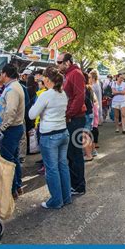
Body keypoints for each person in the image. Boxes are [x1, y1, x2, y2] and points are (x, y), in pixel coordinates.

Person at [29, 67, 71, 209]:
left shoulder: (45, 95)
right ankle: (66, 197)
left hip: (49, 135)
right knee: (63, 166)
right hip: (63, 132)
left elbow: (31, 115)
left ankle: (56, 201)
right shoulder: (63, 94)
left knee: (52, 169)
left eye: (43, 78)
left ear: (47, 79)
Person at [57, 52, 86, 196]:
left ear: (67, 62)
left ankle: (79, 186)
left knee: (75, 153)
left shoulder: (75, 73)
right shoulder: (68, 74)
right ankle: (75, 184)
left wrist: (68, 114)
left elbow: (79, 97)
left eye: (59, 62)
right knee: (71, 153)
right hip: (71, 118)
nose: (58, 65)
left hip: (75, 119)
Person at [0, 64, 25, 198]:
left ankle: (12, 190)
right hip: (14, 128)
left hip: (11, 129)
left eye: (1, 73)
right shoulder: (13, 87)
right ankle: (17, 186)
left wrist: (2, 128)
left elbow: (11, 111)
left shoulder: (12, 89)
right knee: (14, 159)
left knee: (8, 161)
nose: (0, 76)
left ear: (5, 74)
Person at [83, 72, 95, 161]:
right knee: (88, 135)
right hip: (90, 113)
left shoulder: (83, 88)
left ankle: (88, 155)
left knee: (84, 136)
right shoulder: (89, 88)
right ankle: (92, 151)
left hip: (86, 114)